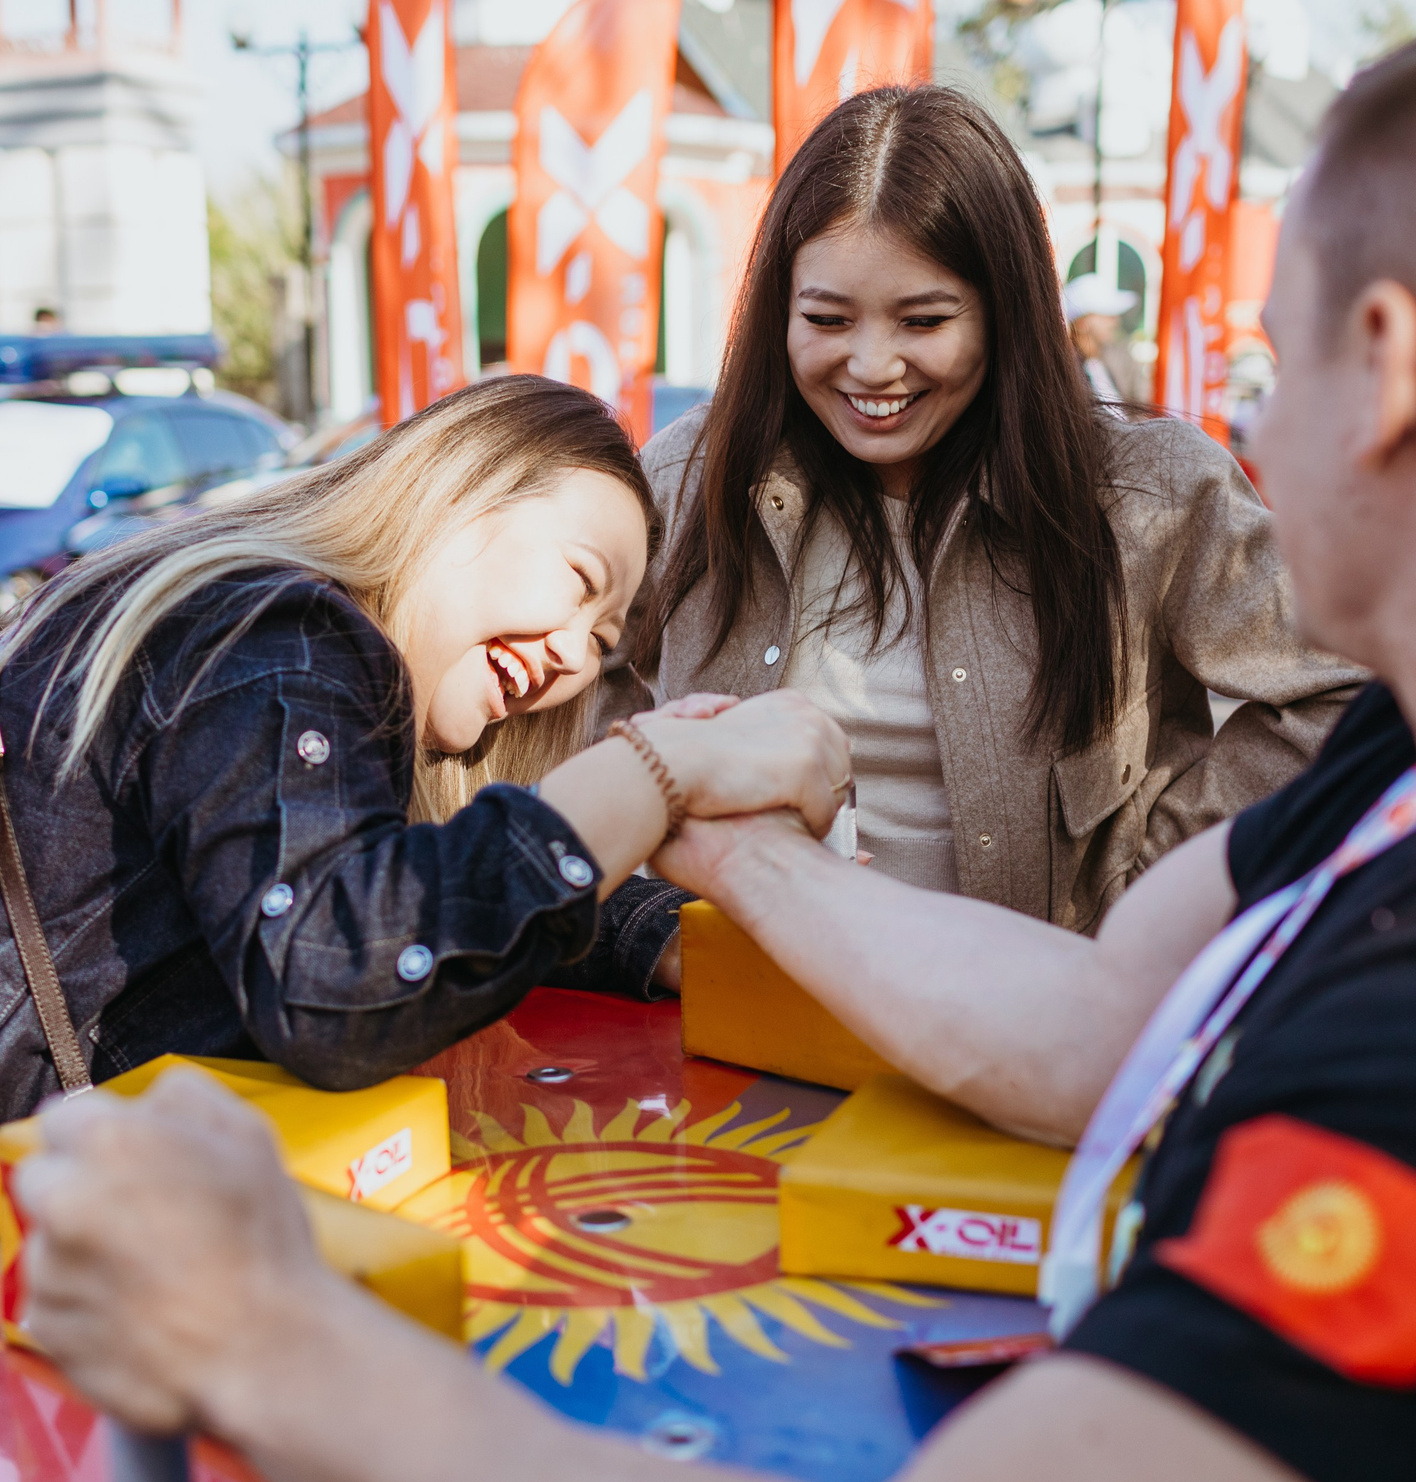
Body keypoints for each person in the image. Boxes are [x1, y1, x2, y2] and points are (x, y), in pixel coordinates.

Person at [13, 4, 1416, 1482]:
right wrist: (725, 831)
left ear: (1394, 364)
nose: (1249, 436)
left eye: (1270, 369)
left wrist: (259, 1331)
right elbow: (1108, 1018)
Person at [0, 375, 850, 1426]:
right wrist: (653, 770)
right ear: (459, 494)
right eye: (577, 585)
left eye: (603, 649)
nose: (569, 658)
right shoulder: (274, 635)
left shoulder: (307, 679)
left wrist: (665, 934)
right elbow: (343, 973)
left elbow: (427, 892)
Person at [584, 86, 1364, 998]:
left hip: (1043, 1025)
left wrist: (1159, 889)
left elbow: (1344, 686)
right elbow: (577, 681)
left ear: (1003, 310)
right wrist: (654, 898)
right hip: (738, 1020)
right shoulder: (694, 473)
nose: (873, 366)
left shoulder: (1146, 492)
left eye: (924, 321)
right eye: (828, 320)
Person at [1063, 270, 1145, 409]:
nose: (1116, 322)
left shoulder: (1104, 361)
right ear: (1082, 322)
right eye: (1107, 314)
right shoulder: (1068, 372)